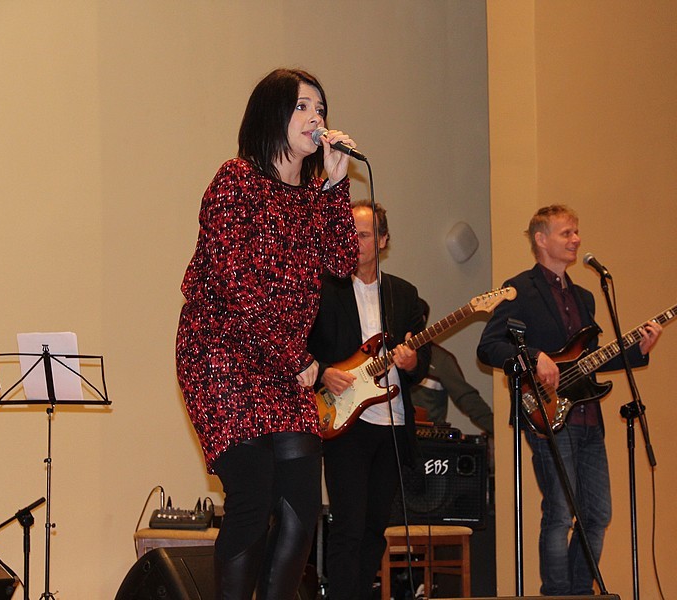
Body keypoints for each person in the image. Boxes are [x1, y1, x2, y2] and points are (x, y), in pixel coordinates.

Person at [175, 67, 360, 600]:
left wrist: (336, 184)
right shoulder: (234, 180)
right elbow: (235, 285)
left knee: (302, 508)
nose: (315, 118)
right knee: (252, 498)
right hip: (222, 356)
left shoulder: (311, 195)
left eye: (320, 109)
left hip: (283, 366)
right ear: (270, 115)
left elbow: (343, 260)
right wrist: (294, 358)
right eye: (302, 106)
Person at [476, 205, 662, 596]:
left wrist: (638, 351)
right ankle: (556, 594)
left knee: (598, 513)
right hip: (545, 415)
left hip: (588, 418)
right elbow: (488, 346)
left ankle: (581, 593)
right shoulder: (519, 290)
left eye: (576, 232)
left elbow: (589, 359)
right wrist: (533, 358)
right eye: (566, 233)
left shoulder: (585, 297)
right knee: (560, 513)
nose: (576, 239)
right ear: (541, 240)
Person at [307, 200, 431, 600]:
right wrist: (324, 372)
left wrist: (412, 361)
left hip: (392, 425)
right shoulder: (324, 289)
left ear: (382, 240)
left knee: (375, 529)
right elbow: (300, 348)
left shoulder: (403, 294)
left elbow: (421, 363)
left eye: (362, 235)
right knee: (348, 527)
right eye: (348, 234)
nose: (353, 242)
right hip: (346, 423)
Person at [411, 298, 494, 435]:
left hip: (426, 438)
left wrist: (499, 430)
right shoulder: (385, 354)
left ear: (422, 320)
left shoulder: (441, 360)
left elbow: (467, 399)